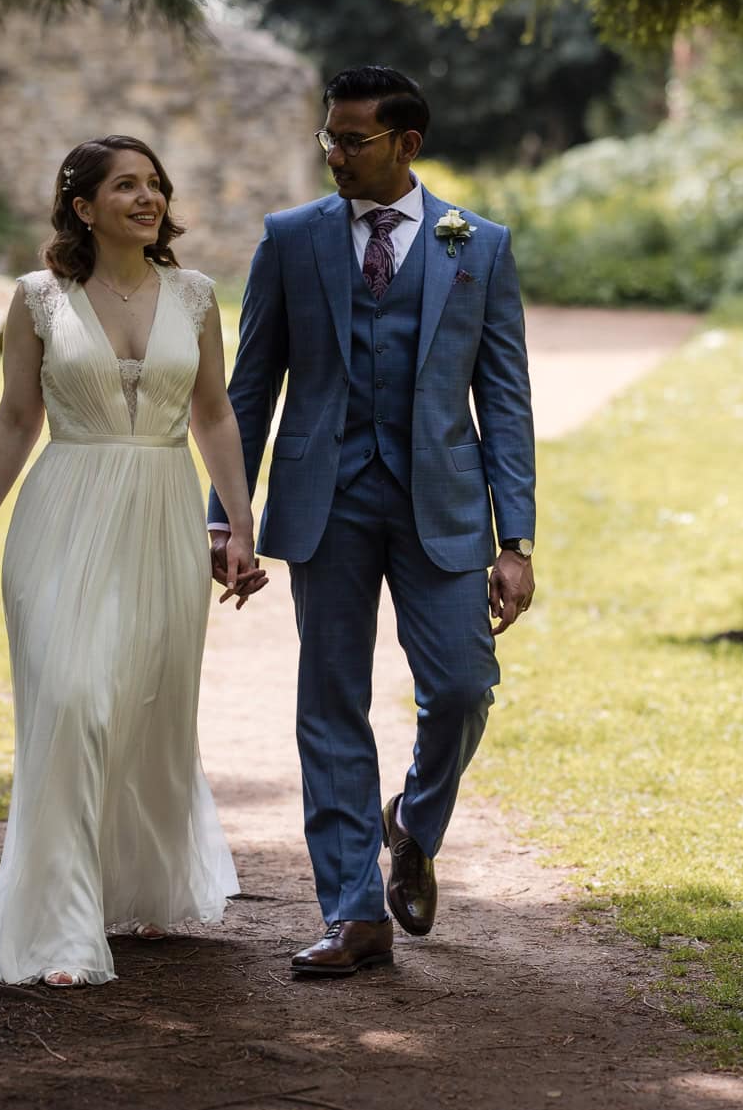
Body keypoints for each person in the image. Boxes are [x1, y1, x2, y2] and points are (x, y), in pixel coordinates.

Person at [209, 65, 537, 978]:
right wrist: (224, 519)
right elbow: (247, 392)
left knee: (465, 684)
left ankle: (413, 821)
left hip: (445, 507)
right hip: (328, 501)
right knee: (331, 700)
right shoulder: (290, 240)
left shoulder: (479, 244)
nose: (335, 155)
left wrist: (517, 540)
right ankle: (354, 912)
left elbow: (504, 399)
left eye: (353, 140)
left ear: (407, 145)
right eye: (329, 138)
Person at [0, 135, 269, 987]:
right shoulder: (38, 297)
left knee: (148, 705)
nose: (148, 198)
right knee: (74, 698)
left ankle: (137, 881)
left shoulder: (193, 295)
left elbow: (216, 414)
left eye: (154, 184)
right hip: (63, 514)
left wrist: (238, 523)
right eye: (126, 186)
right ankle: (63, 926)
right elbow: (14, 419)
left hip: (161, 516)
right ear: (83, 206)